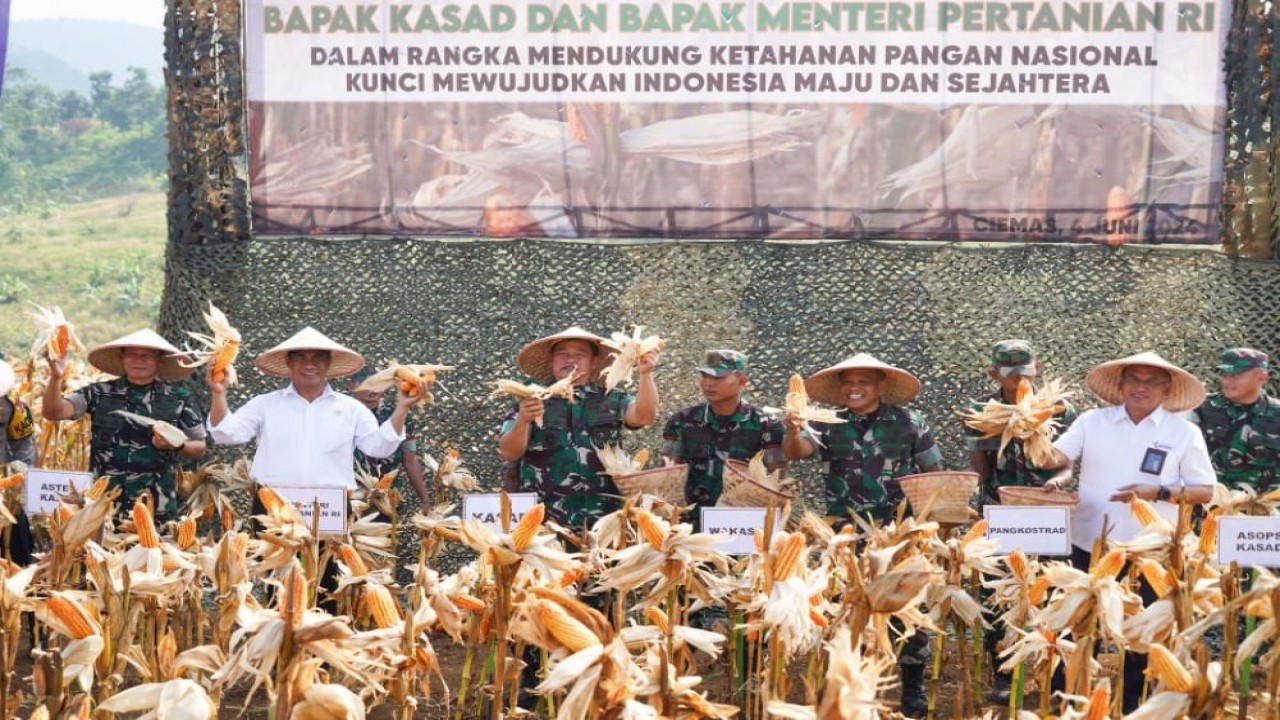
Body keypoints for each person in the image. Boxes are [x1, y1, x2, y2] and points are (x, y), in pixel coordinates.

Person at [1039, 351, 1216, 713]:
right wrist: (1030, 429)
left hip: (1152, 552)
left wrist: (1158, 492)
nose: (1141, 387)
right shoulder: (1092, 421)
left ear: (1167, 389)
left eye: (1151, 381)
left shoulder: (1183, 432)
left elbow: (1205, 491)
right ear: (1120, 385)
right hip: (1090, 542)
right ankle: (1067, 699)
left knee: (1142, 632)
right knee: (1075, 625)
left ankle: (1133, 703)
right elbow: (1051, 458)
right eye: (1133, 379)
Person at [782, 352, 941, 717]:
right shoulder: (825, 423)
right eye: (848, 383)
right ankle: (846, 680)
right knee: (843, 606)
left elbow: (931, 470)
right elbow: (798, 452)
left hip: (897, 531)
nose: (854, 389)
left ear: (880, 386)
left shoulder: (908, 421)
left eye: (863, 383)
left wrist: (931, 523)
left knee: (904, 608)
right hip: (844, 532)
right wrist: (792, 428)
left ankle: (912, 685)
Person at [965, 339, 1075, 699]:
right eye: (1011, 376)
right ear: (994, 373)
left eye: (1025, 374)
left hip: (1047, 512)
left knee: (1052, 589)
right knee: (1000, 595)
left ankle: (1055, 673)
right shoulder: (982, 412)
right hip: (1000, 512)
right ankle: (1003, 673)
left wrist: (1058, 481)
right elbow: (979, 469)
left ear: (1037, 369)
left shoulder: (1060, 410)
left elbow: (1067, 463)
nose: (1018, 382)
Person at [207, 327, 414, 492]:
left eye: (318, 358)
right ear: (288, 361)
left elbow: (379, 447)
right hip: (273, 504)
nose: (309, 365)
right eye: (300, 357)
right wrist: (218, 393)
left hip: (331, 507)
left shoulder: (351, 409)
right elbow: (225, 434)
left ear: (329, 362)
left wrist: (402, 408)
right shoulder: (264, 404)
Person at [497, 326, 660, 531]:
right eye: (562, 354)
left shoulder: (612, 398)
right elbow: (509, 452)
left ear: (594, 362)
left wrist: (646, 374)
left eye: (579, 354)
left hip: (606, 520)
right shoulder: (530, 400)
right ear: (551, 361)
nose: (570, 360)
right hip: (544, 522)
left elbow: (644, 416)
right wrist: (522, 420)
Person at [41, 329, 206, 518]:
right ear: (122, 358)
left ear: (160, 360)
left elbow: (199, 446)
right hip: (104, 503)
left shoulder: (179, 398)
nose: (139, 360)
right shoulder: (98, 393)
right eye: (132, 354)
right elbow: (53, 412)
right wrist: (56, 376)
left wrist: (178, 445)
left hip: (156, 505)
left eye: (147, 356)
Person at [661, 349, 787, 526]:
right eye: (704, 376)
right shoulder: (682, 421)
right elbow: (667, 476)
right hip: (690, 525)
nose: (708, 384)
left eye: (718, 378)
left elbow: (778, 481)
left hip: (743, 524)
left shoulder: (767, 425)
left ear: (742, 381)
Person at [1191, 348, 1278, 493]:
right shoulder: (1201, 408)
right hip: (1209, 508)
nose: (1227, 381)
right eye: (1225, 375)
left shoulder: (1276, 414)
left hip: (1263, 510)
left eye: (1236, 375)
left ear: (1261, 378)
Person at [347, 366, 431, 510]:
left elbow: (410, 460)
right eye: (367, 383)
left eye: (378, 385)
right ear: (350, 385)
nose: (373, 390)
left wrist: (425, 500)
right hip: (350, 497)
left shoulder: (399, 417)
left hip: (388, 497)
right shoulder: (341, 416)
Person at [1, 353, 36, 565]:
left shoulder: (15, 405)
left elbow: (24, 446)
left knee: (16, 529)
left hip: (4, 484)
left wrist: (20, 473)